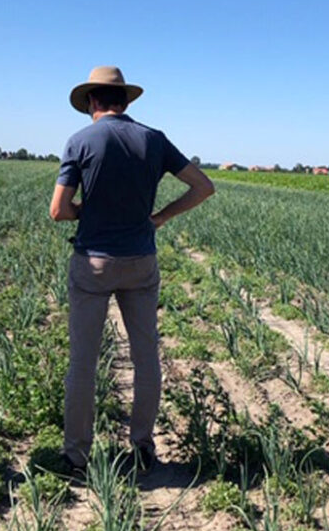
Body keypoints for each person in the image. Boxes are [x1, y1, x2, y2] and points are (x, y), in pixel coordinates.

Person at [50, 66, 214, 473]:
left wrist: (87, 211)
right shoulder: (154, 140)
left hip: (94, 263)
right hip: (142, 260)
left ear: (91, 101)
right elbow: (203, 186)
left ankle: (76, 455)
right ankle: (142, 446)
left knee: (83, 363)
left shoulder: (80, 141)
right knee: (146, 358)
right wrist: (158, 218)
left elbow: (58, 210)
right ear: (125, 101)